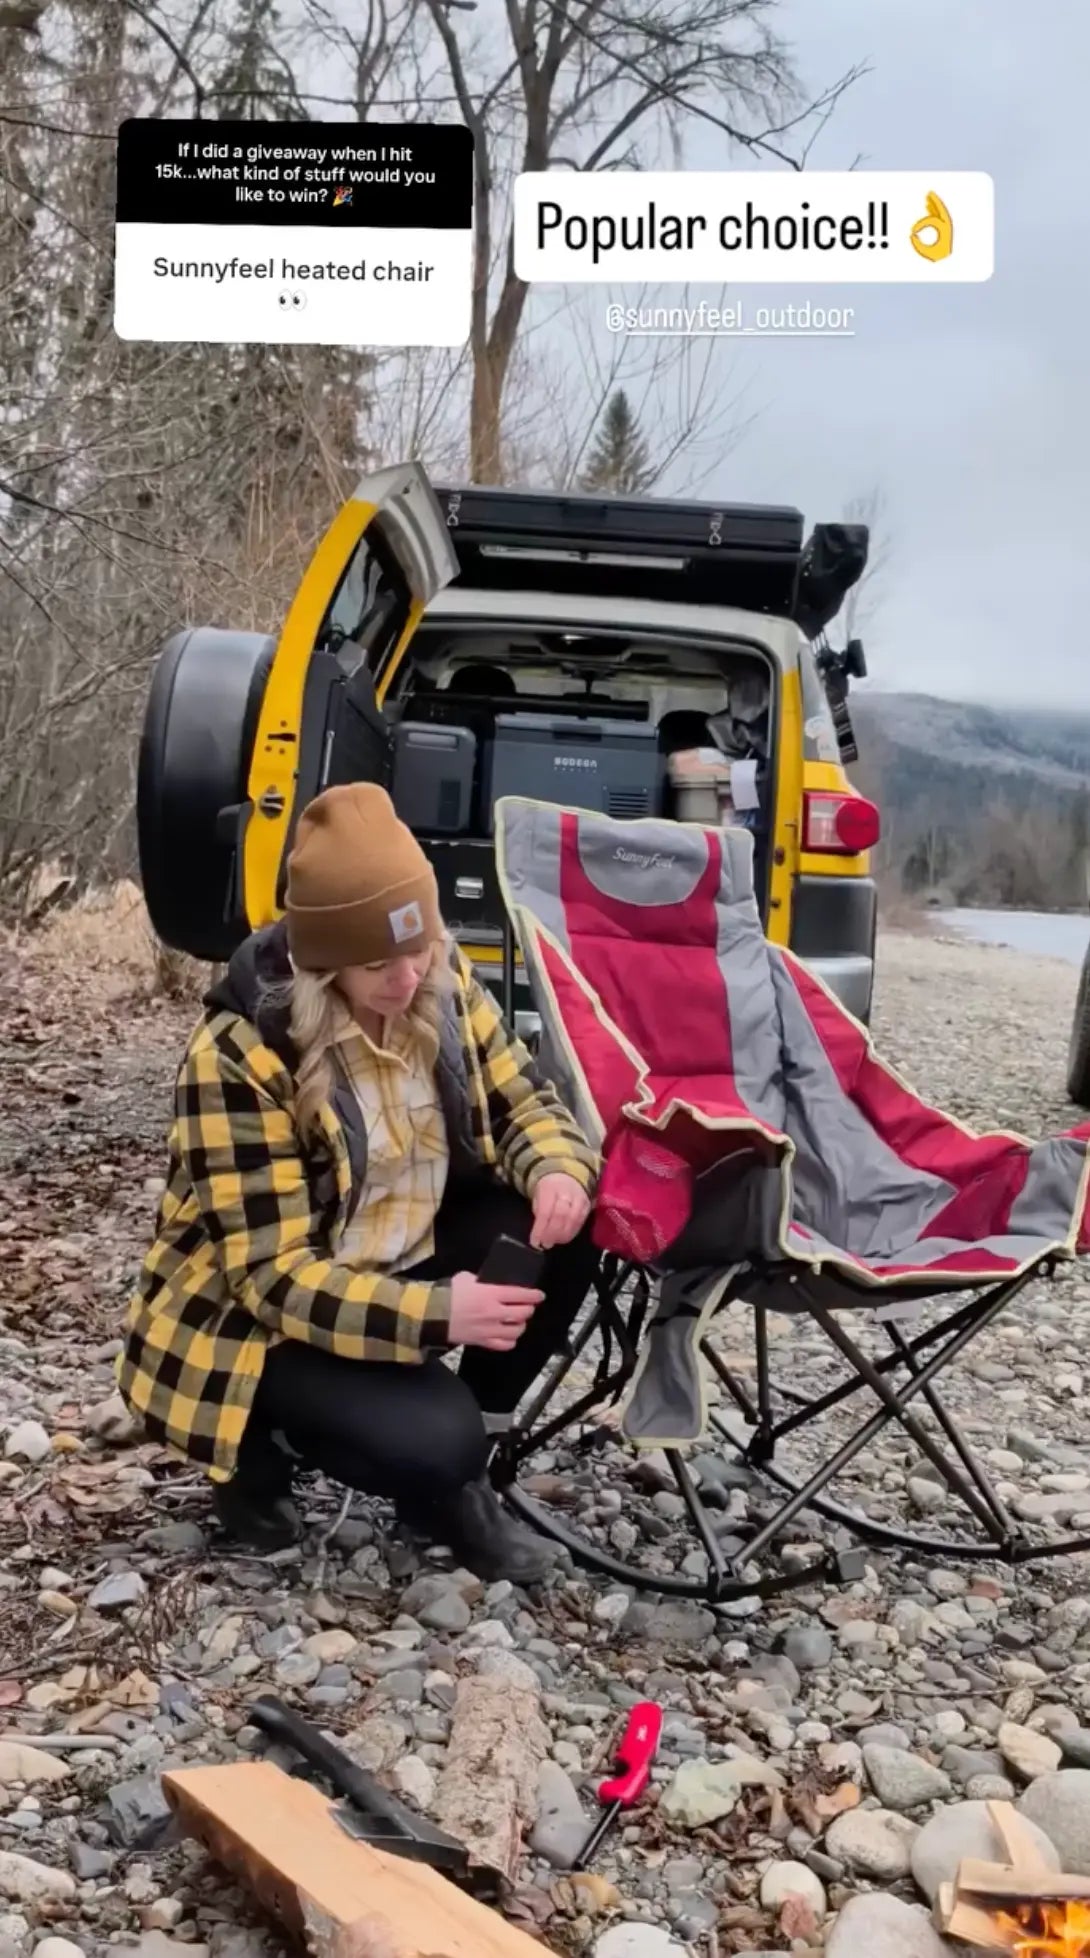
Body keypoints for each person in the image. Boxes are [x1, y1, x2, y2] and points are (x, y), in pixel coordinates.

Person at [118, 782, 601, 1584]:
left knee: (571, 1223)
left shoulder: (438, 978)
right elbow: (272, 1278)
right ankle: (256, 1447)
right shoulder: (241, 1054)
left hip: (393, 1249)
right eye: (378, 962)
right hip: (257, 1315)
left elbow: (526, 1103)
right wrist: (440, 1313)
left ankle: (460, 1481)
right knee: (432, 1440)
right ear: (324, 960)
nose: (408, 978)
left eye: (420, 949)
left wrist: (556, 1166)